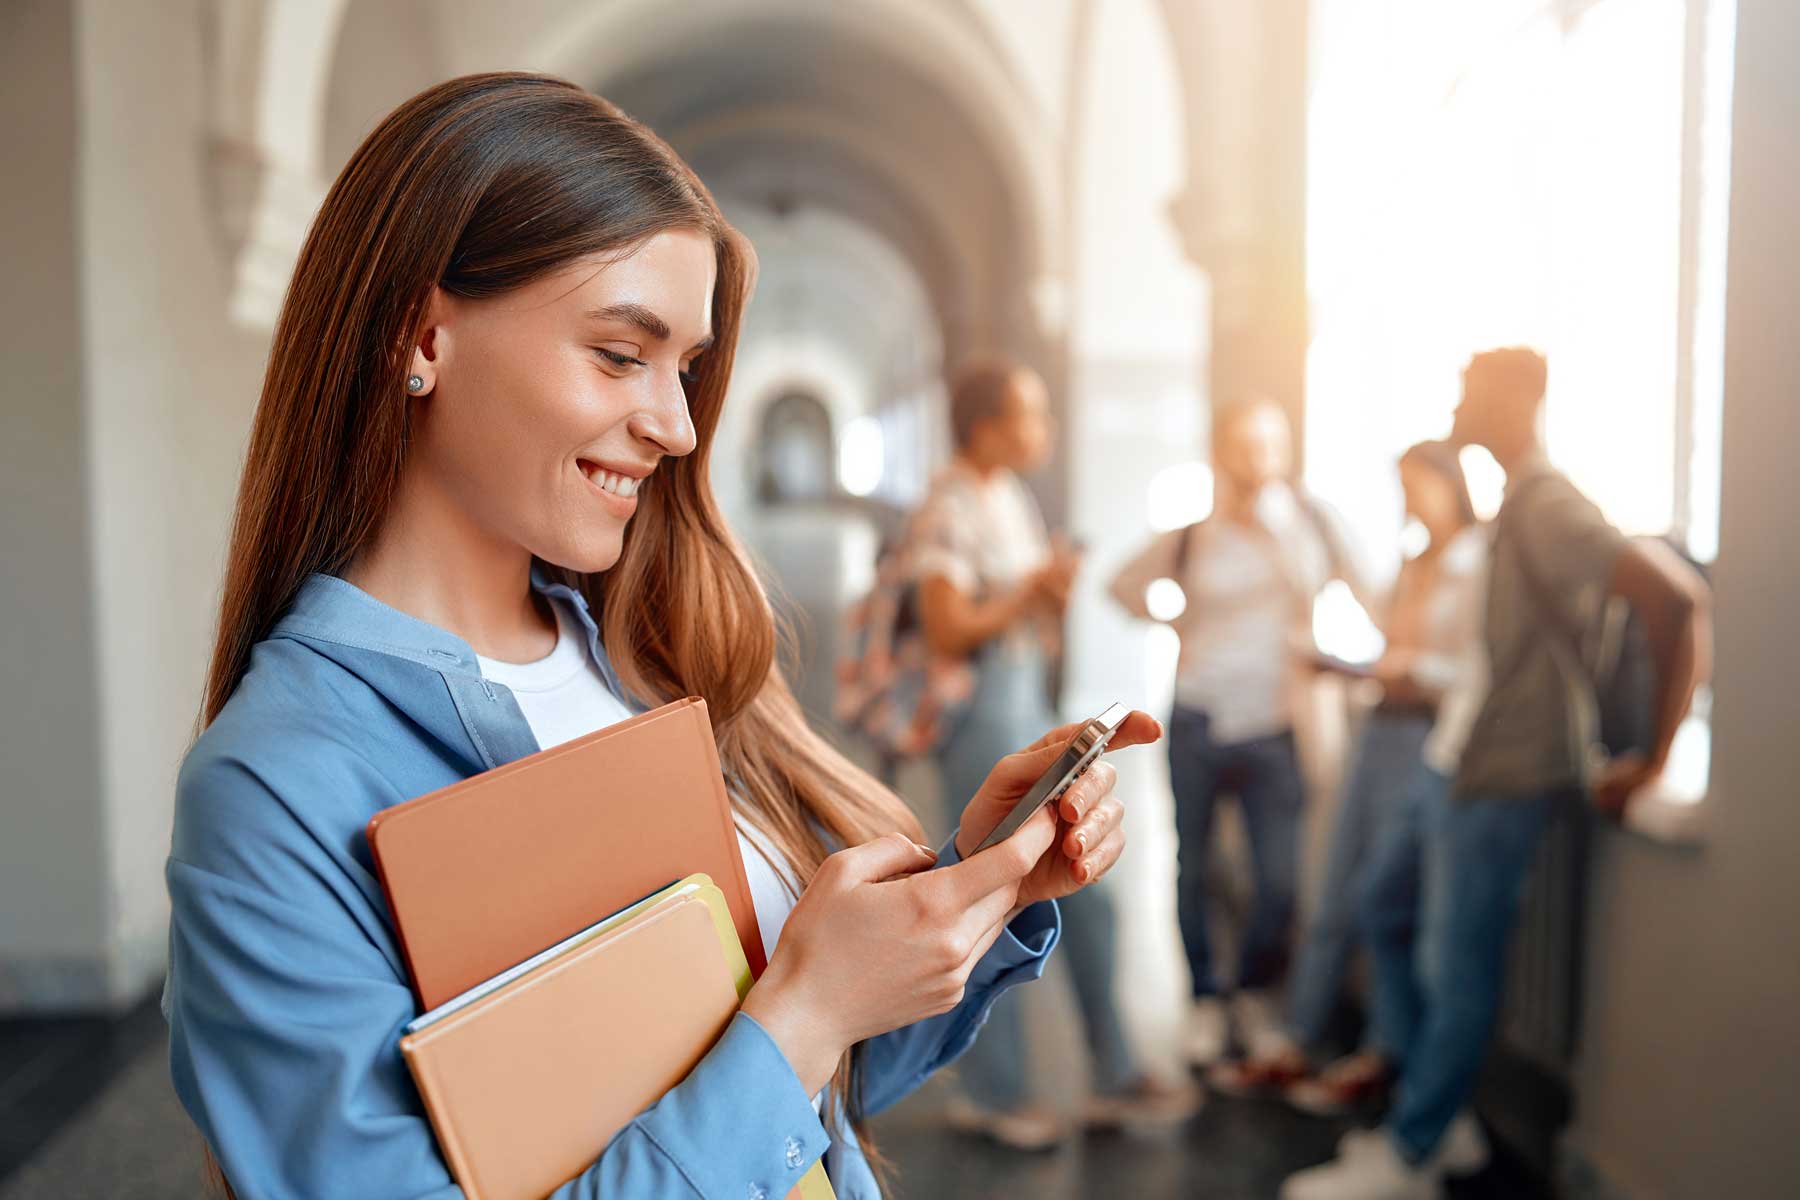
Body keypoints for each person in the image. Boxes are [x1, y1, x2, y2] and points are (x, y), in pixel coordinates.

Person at [161, 74, 1160, 1200]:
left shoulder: (650, 655)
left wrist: (965, 901)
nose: (678, 427)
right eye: (618, 354)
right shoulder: (278, 788)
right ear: (419, 334)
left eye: (685, 367)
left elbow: (808, 1109)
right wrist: (805, 1012)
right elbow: (769, 1068)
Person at [1282, 348, 1711, 1199]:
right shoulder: (1512, 507)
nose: (1457, 402)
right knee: (1383, 908)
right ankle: (1436, 1119)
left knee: (1459, 967)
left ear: (1519, 396)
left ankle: (1414, 1152)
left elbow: (1677, 600)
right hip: (1457, 758)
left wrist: (1655, 758)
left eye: (1470, 388)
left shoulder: (1550, 504)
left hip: (1506, 772)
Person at [912, 357, 1196, 1149]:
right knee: (992, 891)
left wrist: (1045, 594)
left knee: (1070, 880)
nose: (1045, 430)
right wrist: (1029, 595)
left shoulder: (1008, 497)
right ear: (987, 428)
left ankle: (1110, 1071)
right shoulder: (951, 505)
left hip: (1020, 696)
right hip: (982, 712)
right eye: (1029, 414)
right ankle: (998, 1088)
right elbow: (947, 629)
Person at [1210, 440, 1487, 1115]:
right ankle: (1300, 1038)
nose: (1410, 502)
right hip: (1376, 729)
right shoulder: (1413, 560)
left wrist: (1375, 671)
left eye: (1418, 486)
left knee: (1391, 902)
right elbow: (1387, 636)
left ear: (1451, 486)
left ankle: (1386, 1058)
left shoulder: (1479, 564)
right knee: (1334, 890)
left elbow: (1467, 670)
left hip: (1427, 739)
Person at [1109, 398, 1373, 1068]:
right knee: (1191, 865)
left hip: (1275, 724)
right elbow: (1123, 586)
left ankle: (1252, 994)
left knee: (1279, 880)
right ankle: (1203, 998)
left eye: (1268, 445)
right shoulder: (1196, 534)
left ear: (1285, 452)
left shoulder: (1309, 525)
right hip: (1199, 715)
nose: (1256, 459)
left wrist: (1278, 532)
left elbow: (1367, 592)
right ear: (1224, 455)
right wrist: (1175, 623)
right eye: (1243, 446)